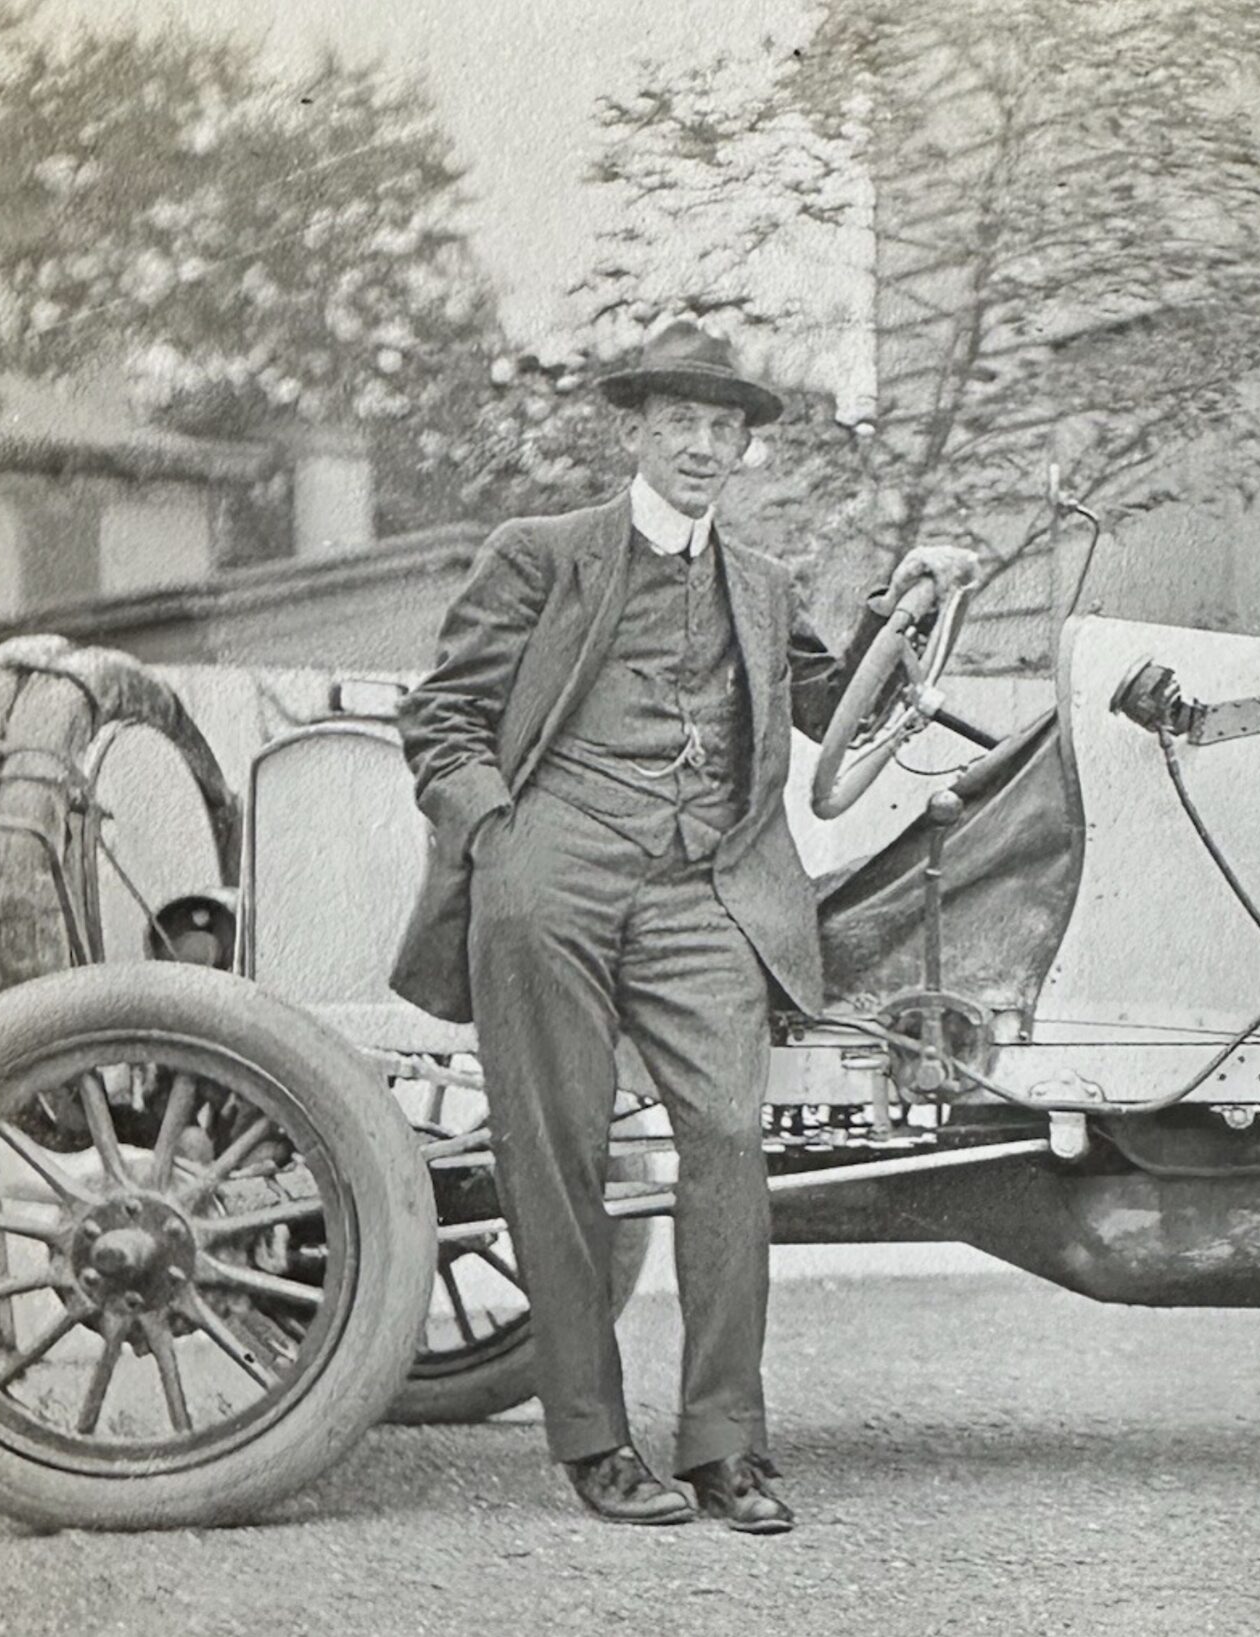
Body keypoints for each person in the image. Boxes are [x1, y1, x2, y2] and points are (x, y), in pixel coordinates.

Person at [388, 319, 976, 1531]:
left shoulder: (761, 585)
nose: (703, 447)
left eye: (722, 430)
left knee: (725, 1139)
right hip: (553, 873)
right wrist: (500, 837)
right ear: (639, 433)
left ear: (742, 448)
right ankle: (593, 1439)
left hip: (706, 885)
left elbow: (844, 704)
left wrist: (912, 600)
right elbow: (441, 716)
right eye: (681, 425)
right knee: (554, 1151)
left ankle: (724, 1444)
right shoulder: (541, 553)